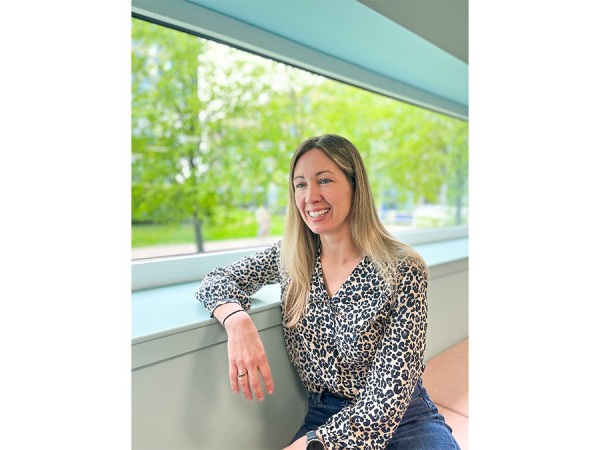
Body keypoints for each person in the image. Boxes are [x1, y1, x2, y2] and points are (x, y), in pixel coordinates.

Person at [196, 134, 460, 450]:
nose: (311, 196)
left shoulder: (403, 268)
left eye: (324, 180)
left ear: (354, 185)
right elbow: (216, 280)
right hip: (325, 414)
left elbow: (390, 393)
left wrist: (311, 445)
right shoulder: (290, 257)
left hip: (403, 418)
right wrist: (237, 321)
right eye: (300, 184)